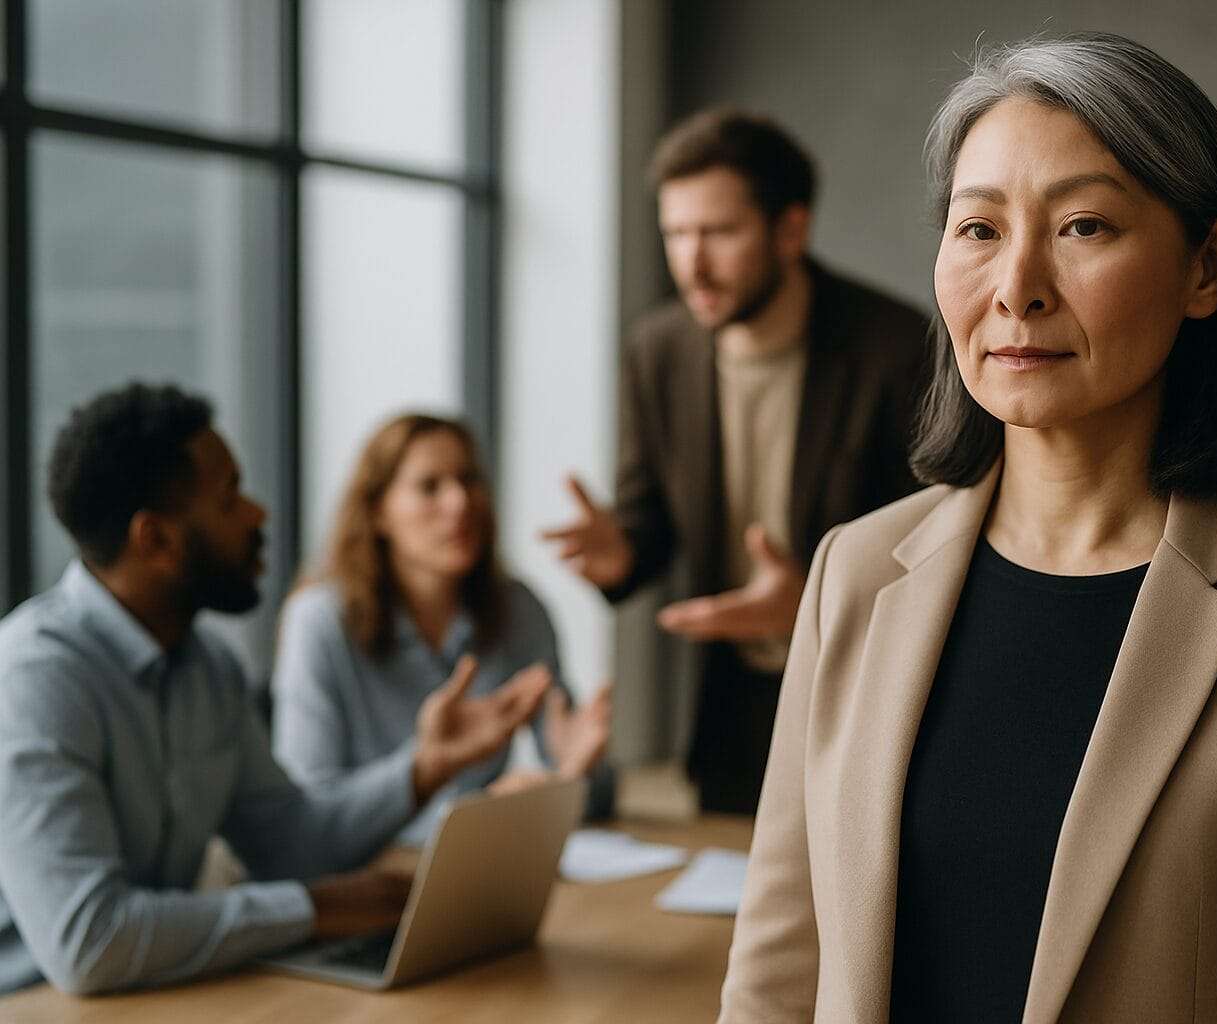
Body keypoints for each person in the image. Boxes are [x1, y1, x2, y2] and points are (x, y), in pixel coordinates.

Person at [718, 34, 1217, 1024]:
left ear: (1207, 268)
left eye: (1083, 226)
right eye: (977, 228)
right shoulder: (853, 575)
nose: (1016, 285)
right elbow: (775, 978)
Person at [0, 384, 551, 996]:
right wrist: (316, 908)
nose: (257, 514)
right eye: (229, 498)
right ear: (155, 539)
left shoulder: (208, 665)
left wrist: (423, 769)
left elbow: (289, 842)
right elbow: (90, 942)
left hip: (152, 994)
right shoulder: (32, 679)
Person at [542, 109, 932, 813]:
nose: (691, 262)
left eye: (718, 233)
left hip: (869, 697)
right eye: (676, 233)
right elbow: (650, 517)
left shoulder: (896, 348)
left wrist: (811, 605)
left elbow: (936, 548)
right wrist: (620, 553)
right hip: (733, 714)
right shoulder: (658, 350)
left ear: (790, 230)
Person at [271, 413, 613, 845]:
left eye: (468, 480)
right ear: (378, 511)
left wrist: (575, 773)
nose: (459, 503)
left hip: (474, 864)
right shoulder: (319, 621)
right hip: (366, 879)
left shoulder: (518, 609)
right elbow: (308, 816)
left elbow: (590, 788)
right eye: (429, 486)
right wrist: (471, 815)